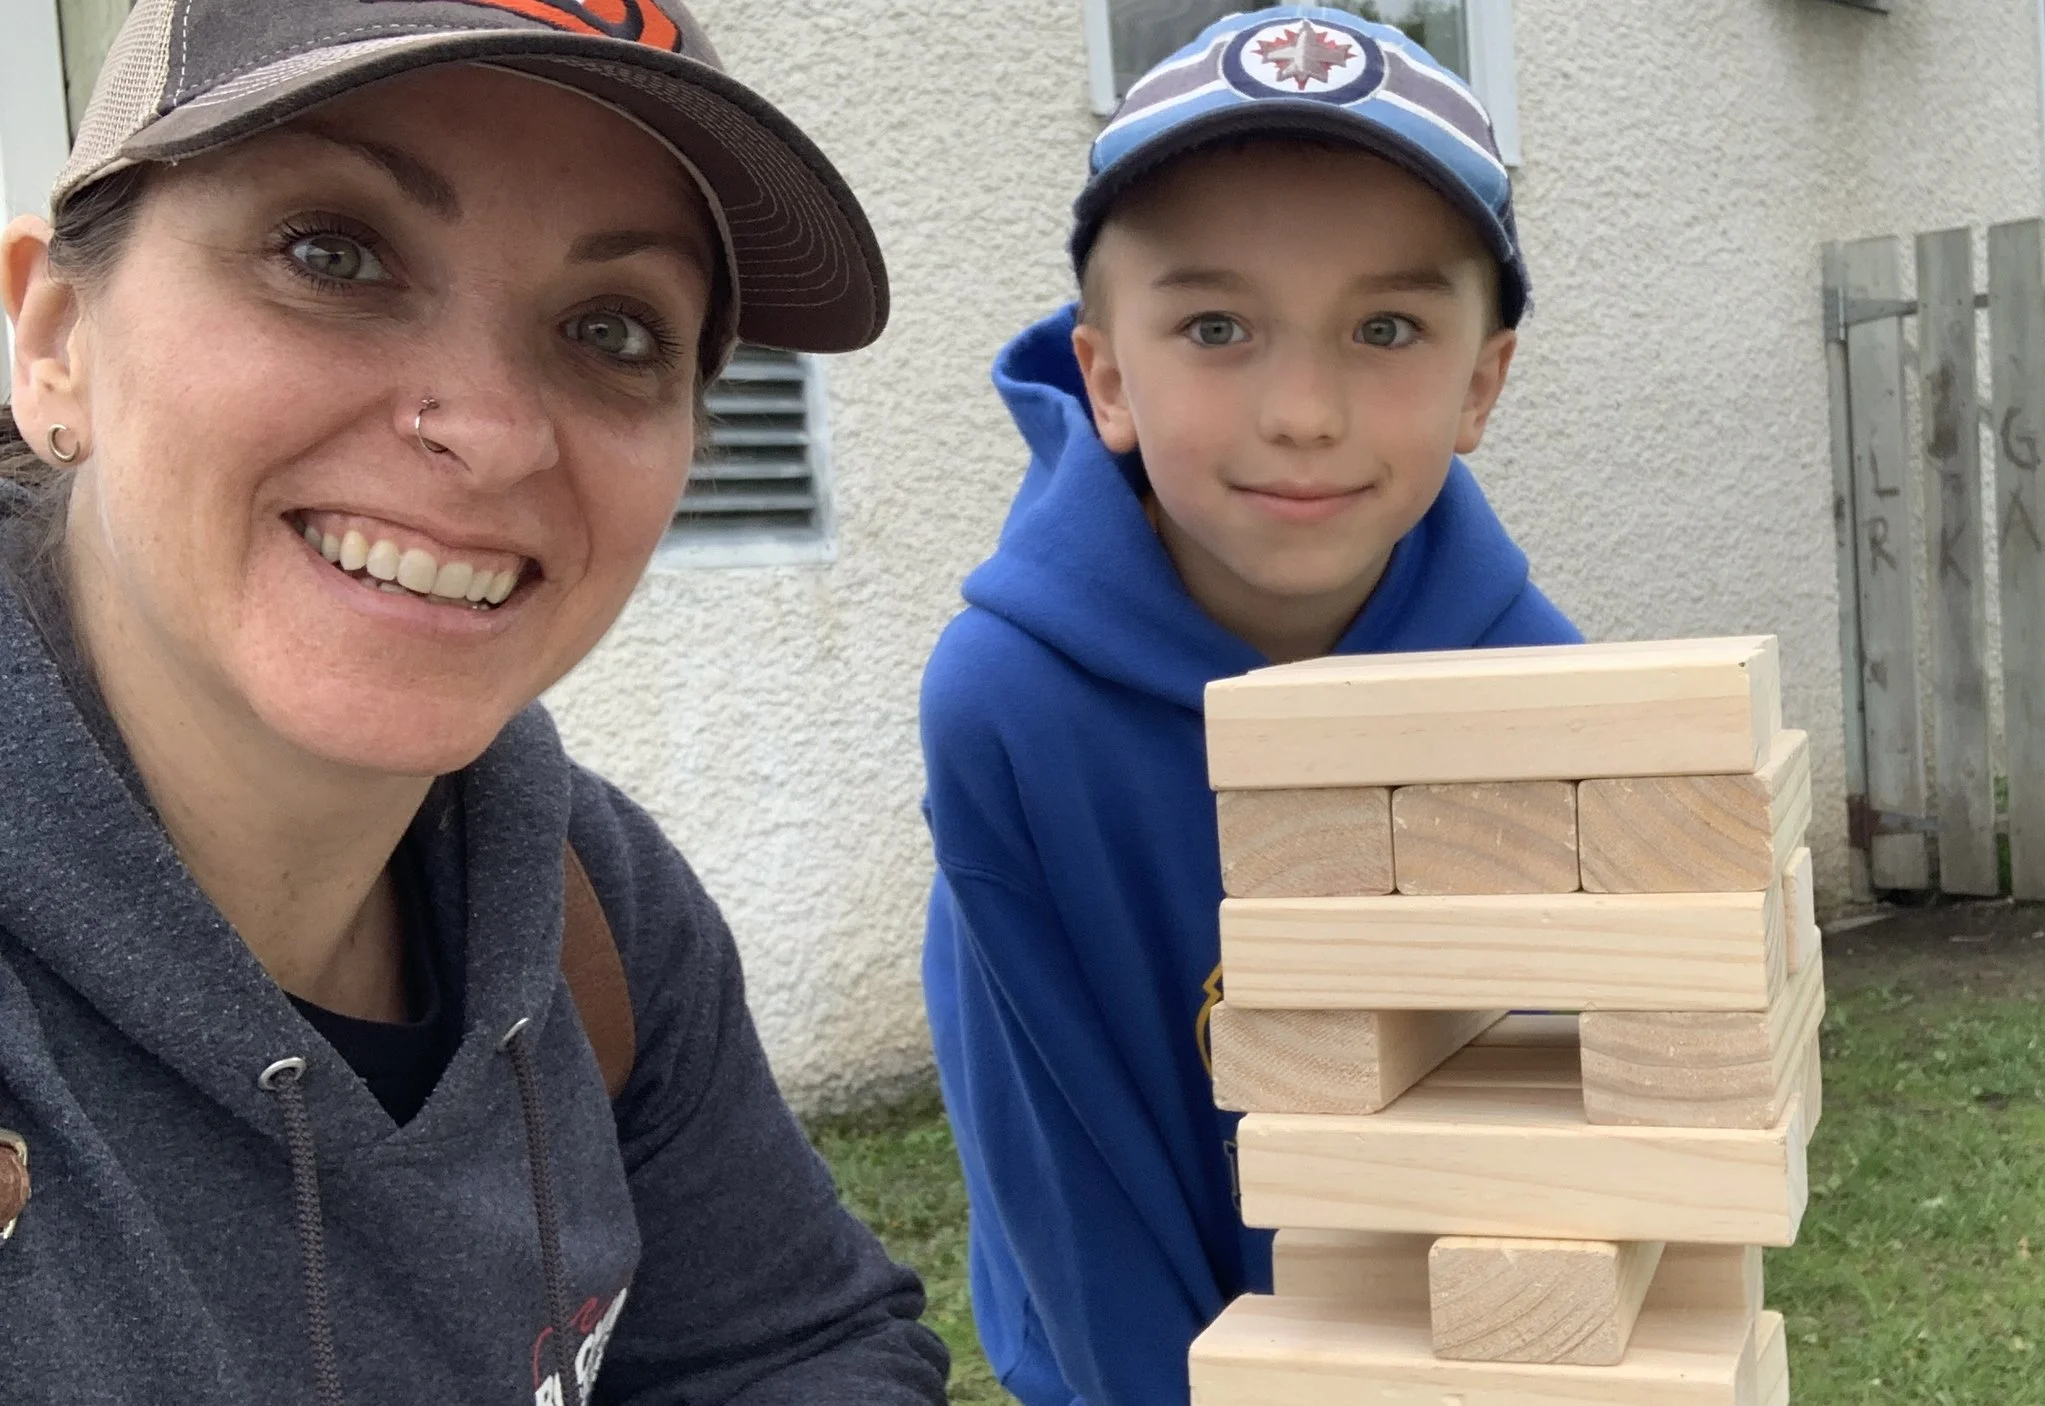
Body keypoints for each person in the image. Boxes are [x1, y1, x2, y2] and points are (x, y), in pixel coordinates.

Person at [0, 2, 948, 1403]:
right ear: (54, 339)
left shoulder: (593, 907)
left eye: (614, 329)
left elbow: (796, 1348)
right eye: (334, 253)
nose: (493, 430)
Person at [917, 8, 1581, 1401]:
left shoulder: (1542, 696)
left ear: (1483, 382)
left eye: (1386, 326)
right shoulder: (1010, 705)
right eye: (1216, 325)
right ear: (1104, 374)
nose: (1302, 409)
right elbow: (1064, 1167)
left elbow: (1557, 1136)